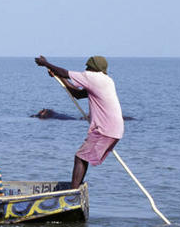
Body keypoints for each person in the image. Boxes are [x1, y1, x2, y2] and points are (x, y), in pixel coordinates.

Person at [35, 55, 123, 188]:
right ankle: (75, 189)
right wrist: (59, 78)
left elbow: (65, 72)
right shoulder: (107, 80)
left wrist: (46, 64)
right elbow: (77, 94)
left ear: (93, 68)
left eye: (88, 67)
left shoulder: (93, 77)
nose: (85, 70)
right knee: (83, 157)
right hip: (114, 129)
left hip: (105, 129)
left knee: (80, 157)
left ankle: (73, 194)